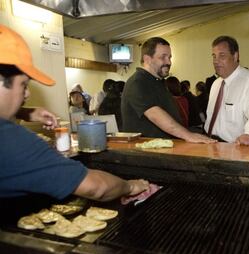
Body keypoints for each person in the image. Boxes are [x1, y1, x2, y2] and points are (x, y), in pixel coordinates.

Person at [0, 24, 149, 202]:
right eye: (23, 85)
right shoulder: (10, 139)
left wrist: (23, 113)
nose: (27, 94)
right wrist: (130, 186)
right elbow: (96, 188)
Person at [121, 37, 215, 144]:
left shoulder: (158, 82)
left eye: (169, 57)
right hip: (146, 154)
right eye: (163, 57)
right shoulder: (138, 82)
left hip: (164, 148)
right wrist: (188, 135)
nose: (169, 62)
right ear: (147, 59)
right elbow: (155, 115)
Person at [204, 36, 249, 145]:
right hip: (209, 144)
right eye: (214, 56)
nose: (216, 61)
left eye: (222, 56)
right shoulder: (216, 84)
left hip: (234, 148)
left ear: (235, 56)